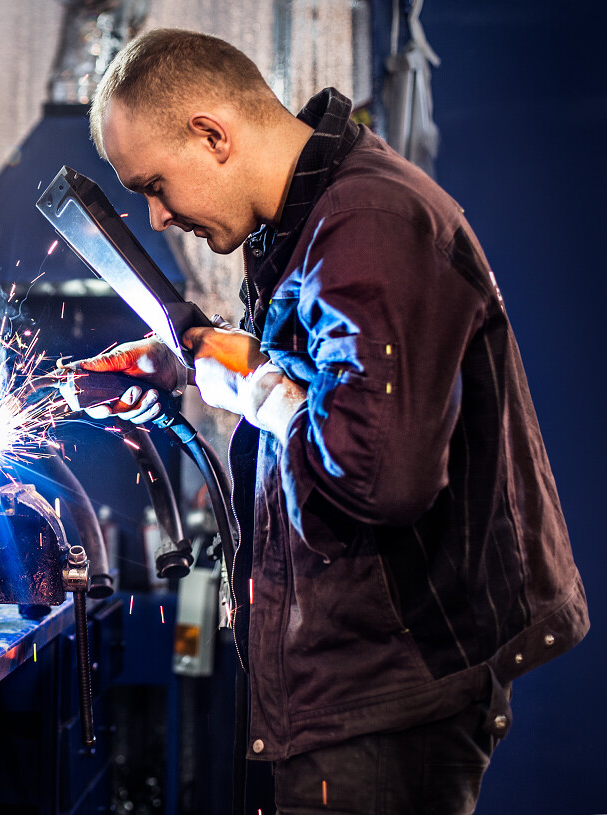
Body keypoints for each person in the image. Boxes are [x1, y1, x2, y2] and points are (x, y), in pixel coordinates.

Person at [70, 28, 589, 814]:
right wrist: (187, 362)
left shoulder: (371, 224)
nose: (158, 216)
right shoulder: (303, 221)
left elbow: (377, 474)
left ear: (212, 134)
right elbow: (323, 373)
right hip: (341, 686)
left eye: (155, 184)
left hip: (387, 698)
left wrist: (249, 382)